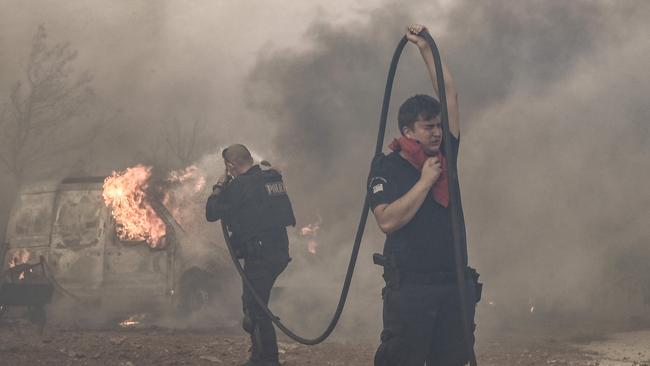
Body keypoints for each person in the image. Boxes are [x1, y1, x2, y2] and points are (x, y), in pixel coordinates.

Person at [368, 24, 480, 366]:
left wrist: (426, 48)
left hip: (453, 286)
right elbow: (387, 220)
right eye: (428, 126)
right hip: (412, 290)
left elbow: (450, 94)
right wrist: (425, 183)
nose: (436, 132)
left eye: (438, 125)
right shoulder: (387, 167)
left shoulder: (444, 154)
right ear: (407, 131)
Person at [206, 144, 295, 366]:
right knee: (255, 304)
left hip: (260, 256)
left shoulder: (239, 186)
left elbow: (211, 212)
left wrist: (219, 185)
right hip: (279, 253)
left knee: (255, 308)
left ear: (230, 166)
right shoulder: (271, 177)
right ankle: (260, 357)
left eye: (228, 168)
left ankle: (267, 360)